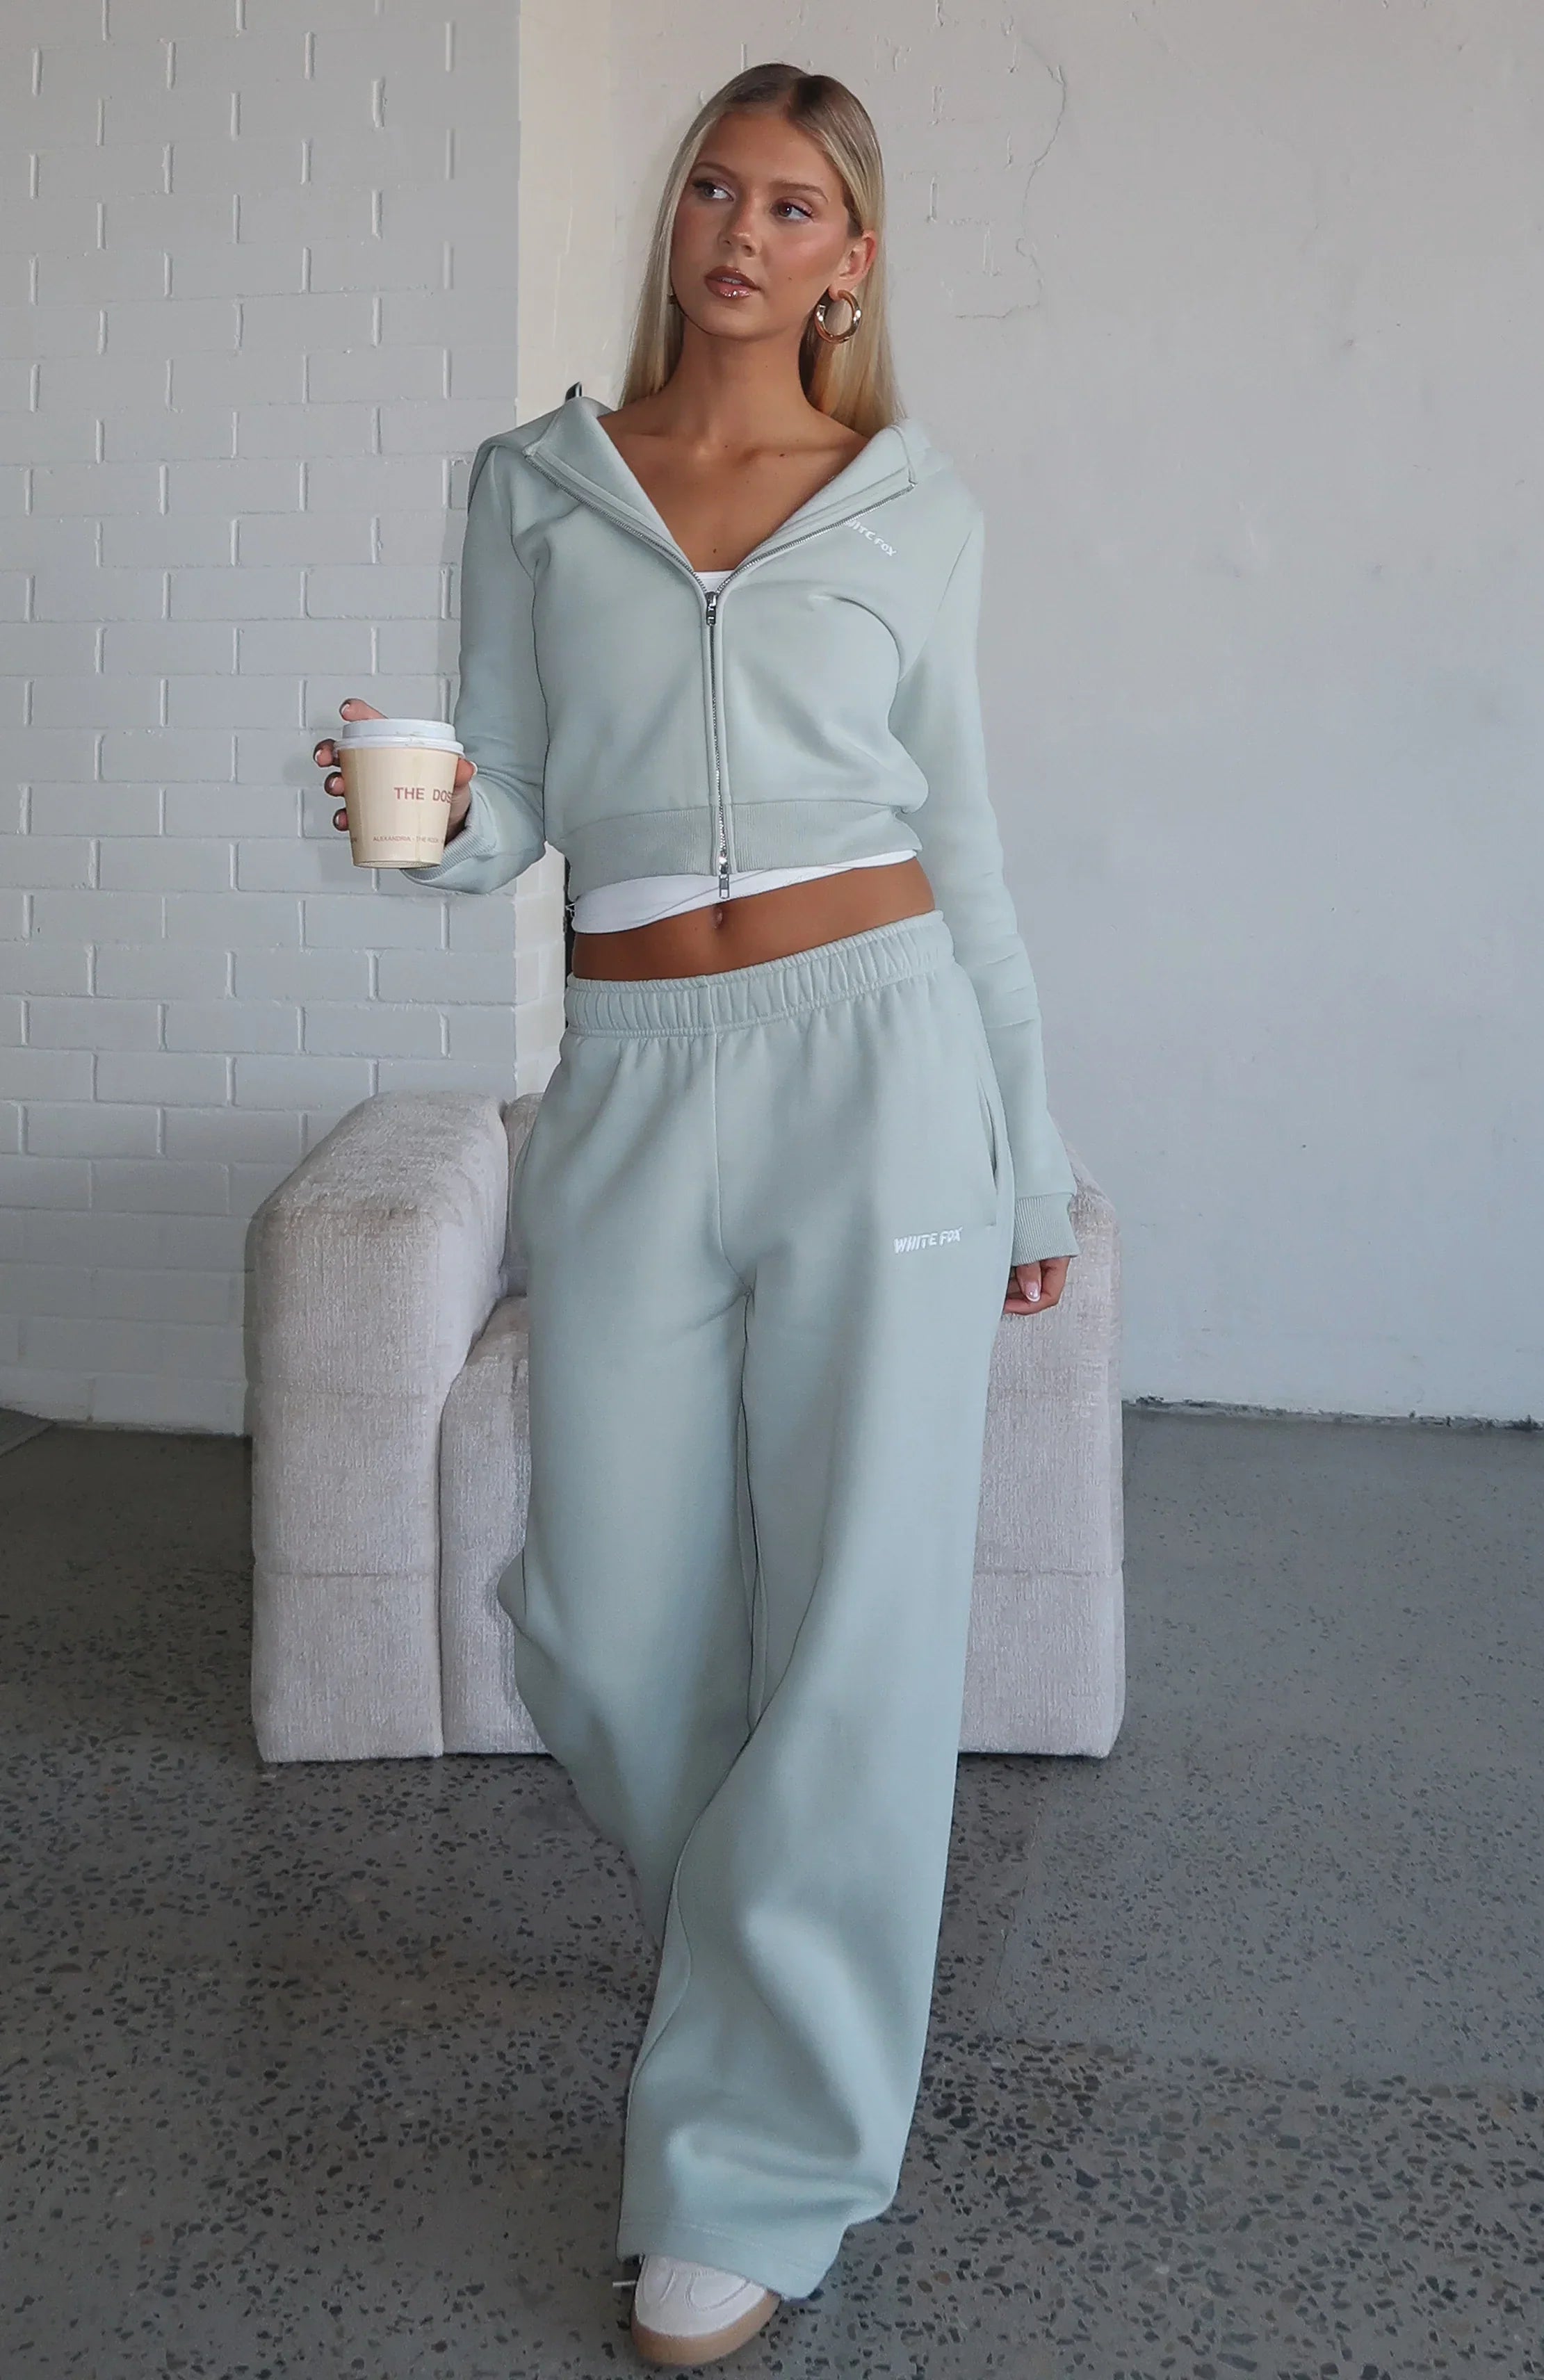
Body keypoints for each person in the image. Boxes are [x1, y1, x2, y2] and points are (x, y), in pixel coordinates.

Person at [313, 60, 1080, 2372]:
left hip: (884, 1069)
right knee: (602, 1617)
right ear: (677, 222)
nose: (743, 230)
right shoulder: (535, 486)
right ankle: (794, 1973)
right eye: (717, 189)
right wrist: (410, 823)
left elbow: (967, 851)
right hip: (638, 1079)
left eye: (796, 204)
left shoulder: (915, 510)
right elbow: (515, 802)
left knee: (856, 1631)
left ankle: (752, 2168)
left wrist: (1030, 1149)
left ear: (853, 262)